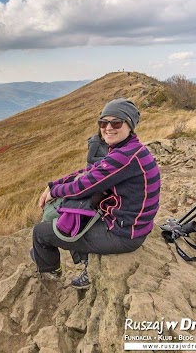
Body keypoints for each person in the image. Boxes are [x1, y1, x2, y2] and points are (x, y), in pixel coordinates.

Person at [31, 98, 160, 289]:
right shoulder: (129, 150)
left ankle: (51, 270)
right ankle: (86, 263)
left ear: (129, 125)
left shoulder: (125, 156)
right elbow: (91, 171)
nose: (108, 127)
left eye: (116, 122)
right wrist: (54, 185)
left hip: (123, 235)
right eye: (103, 122)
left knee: (40, 232)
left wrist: (54, 192)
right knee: (74, 215)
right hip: (127, 224)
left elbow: (82, 186)